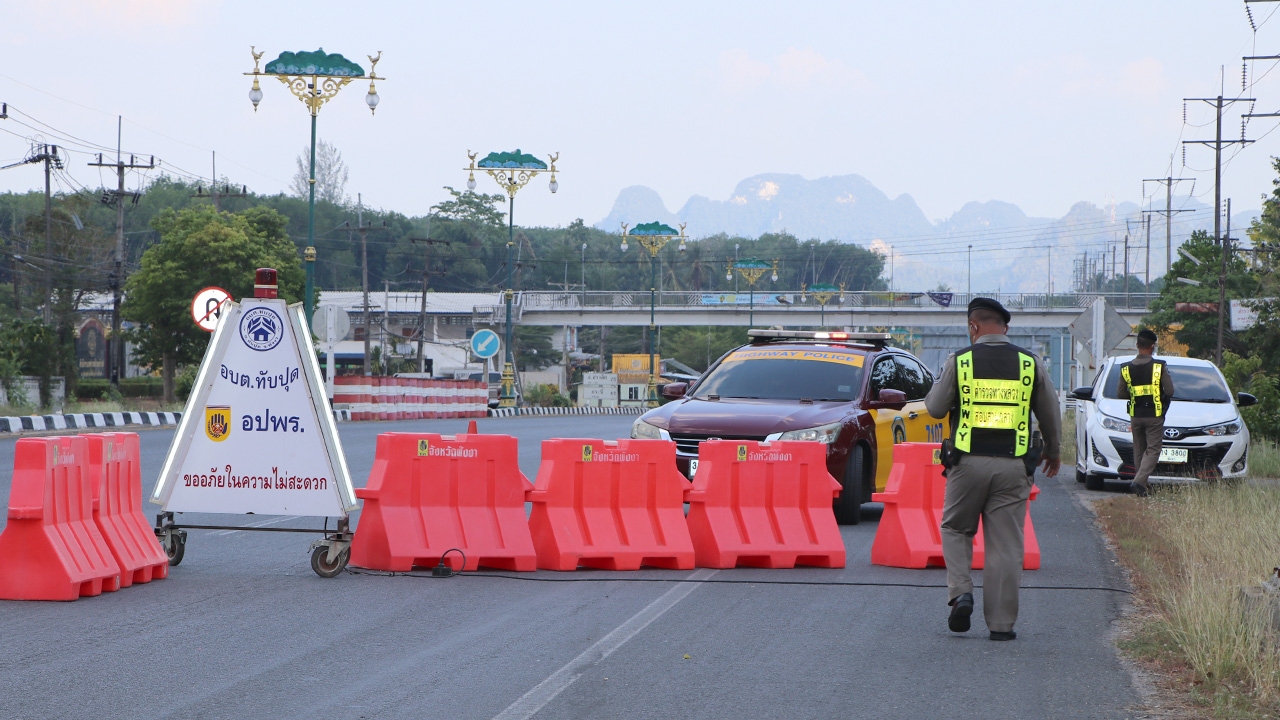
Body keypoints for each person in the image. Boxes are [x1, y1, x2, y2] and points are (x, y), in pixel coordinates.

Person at [925, 297, 1061, 641]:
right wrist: (1055, 452)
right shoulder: (1031, 364)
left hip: (967, 464)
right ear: (1006, 328)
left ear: (973, 326)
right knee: (1005, 546)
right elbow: (1050, 412)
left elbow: (935, 408)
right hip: (1014, 466)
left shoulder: (961, 361)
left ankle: (961, 592)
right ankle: (1001, 625)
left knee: (956, 528)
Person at [1116, 329, 1174, 497]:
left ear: (1137, 345)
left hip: (1135, 414)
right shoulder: (1159, 366)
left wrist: (1135, 394)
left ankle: (1142, 485)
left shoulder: (1125, 368)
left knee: (1139, 449)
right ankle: (1139, 481)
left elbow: (1121, 393)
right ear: (1153, 346)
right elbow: (1169, 391)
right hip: (1154, 414)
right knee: (1153, 450)